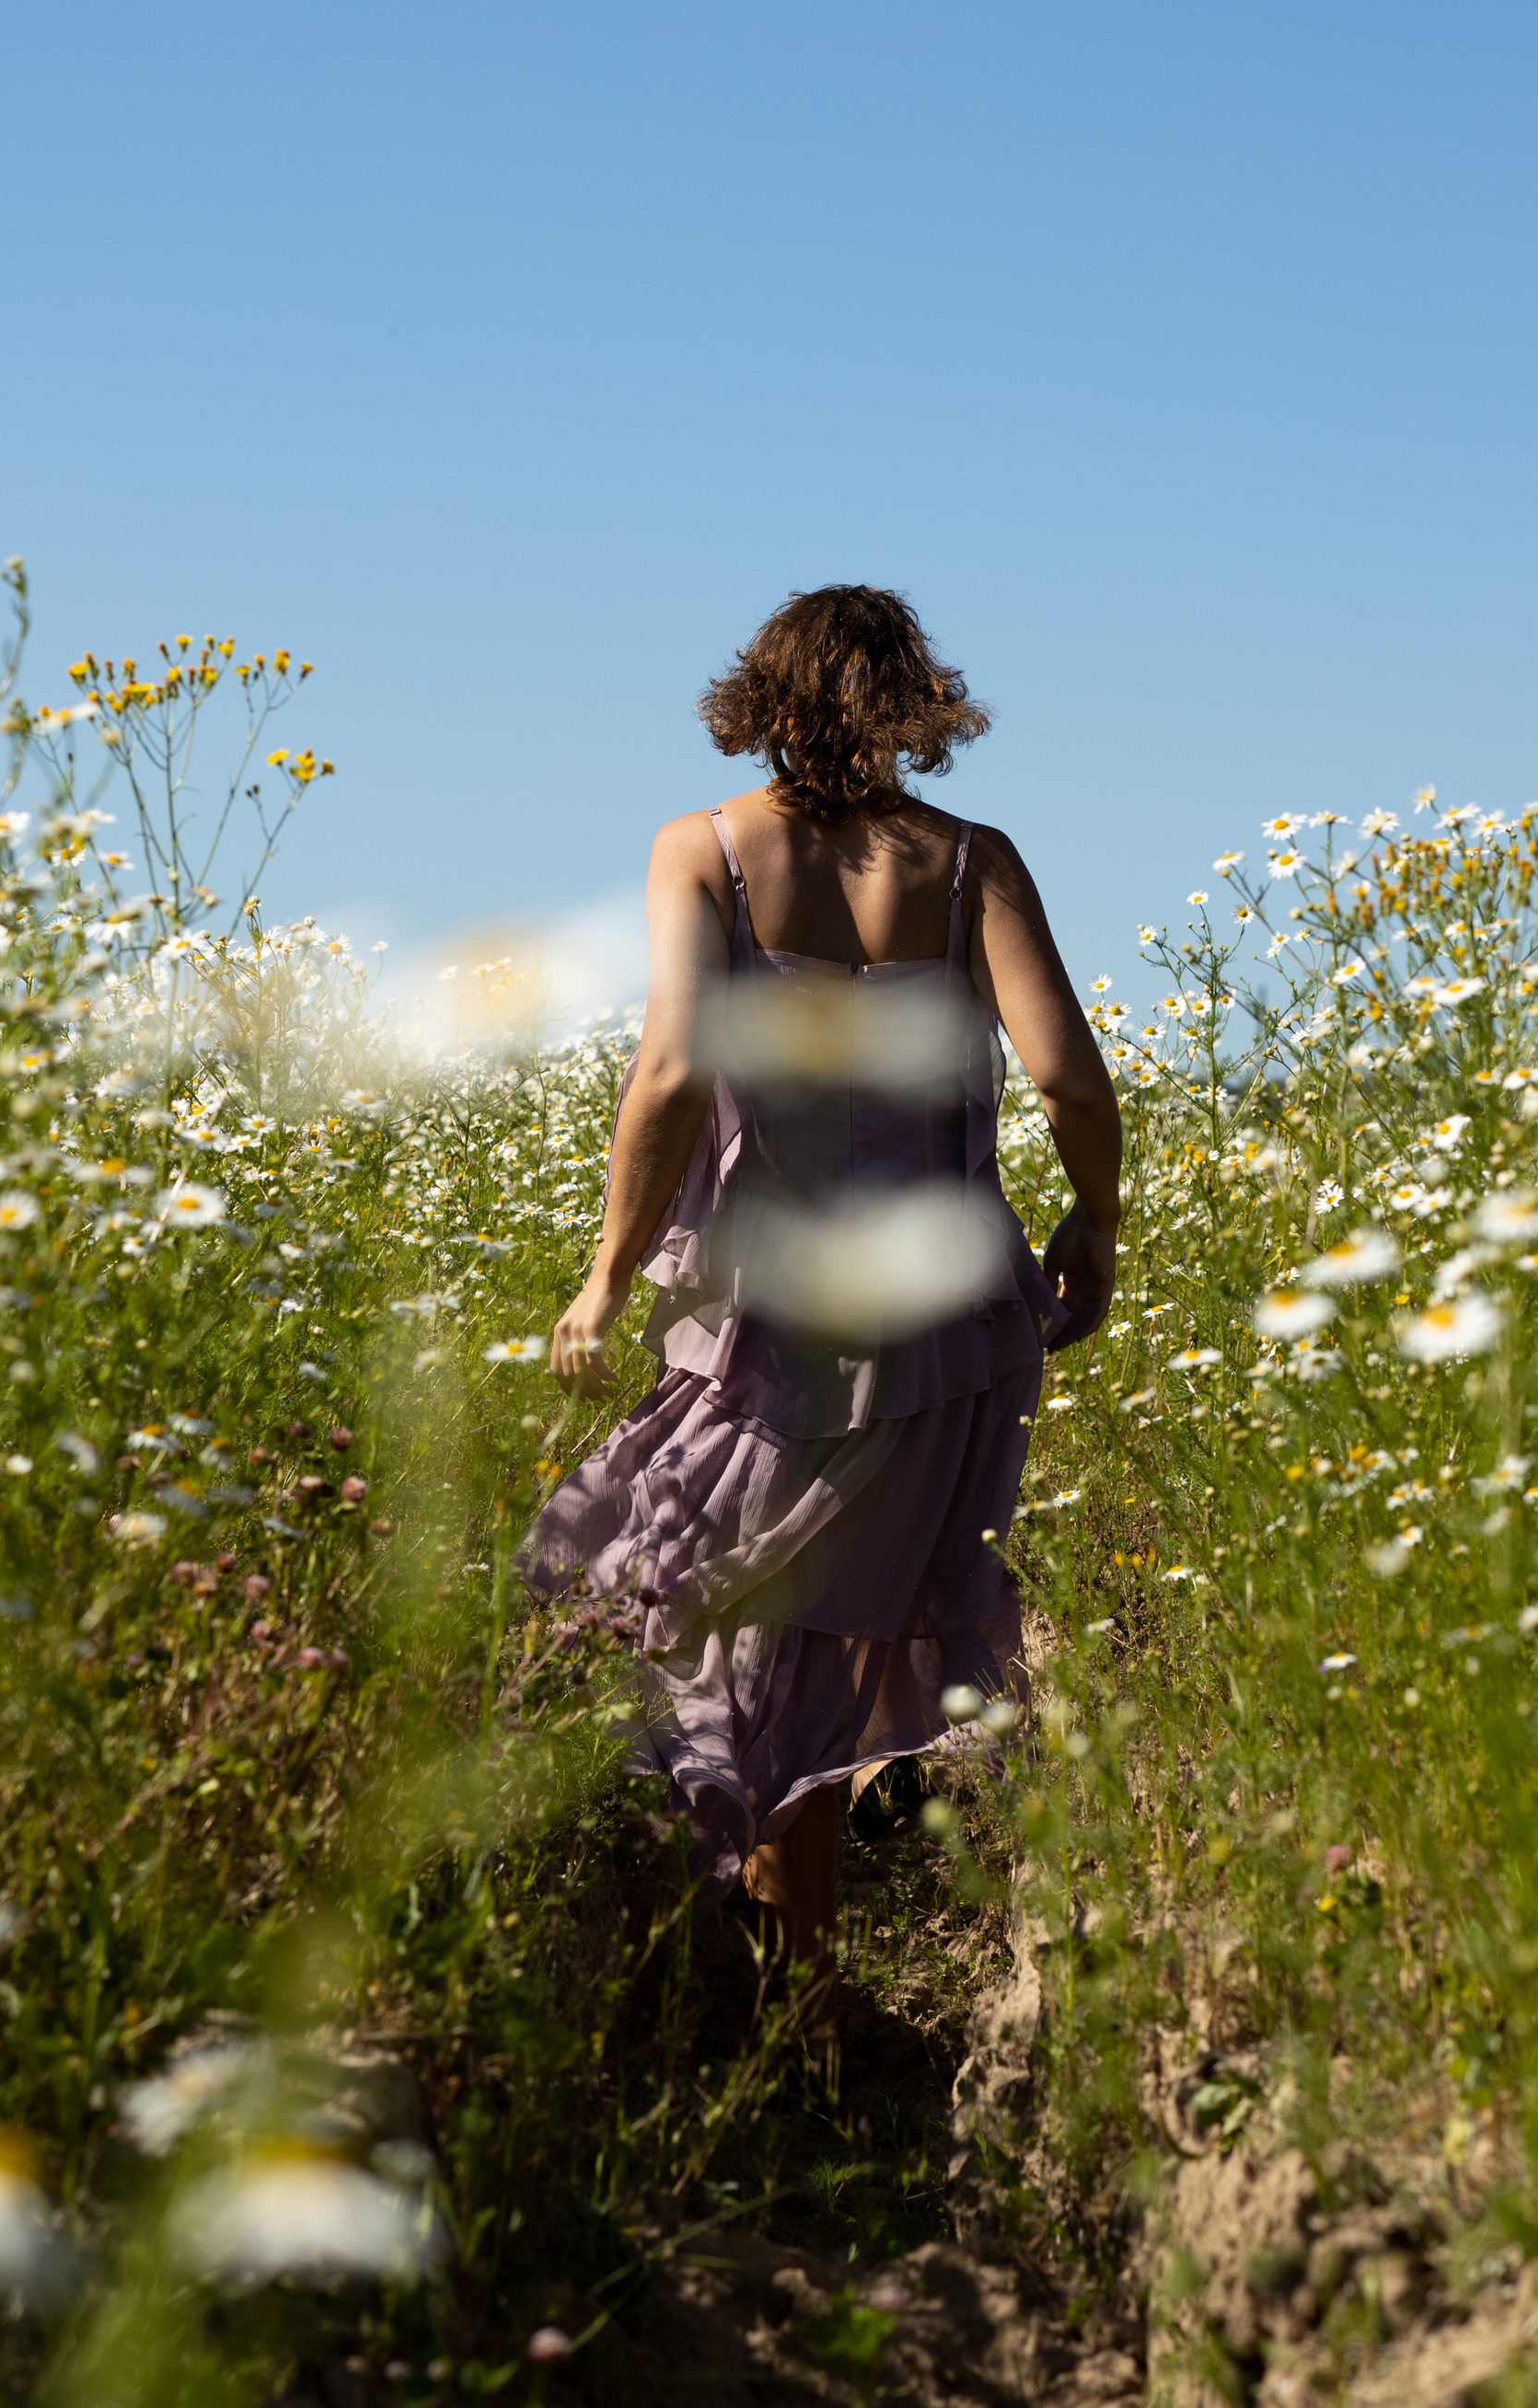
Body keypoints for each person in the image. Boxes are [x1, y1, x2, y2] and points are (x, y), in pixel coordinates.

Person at [522, 584, 1121, 2010]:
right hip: (949, 1329)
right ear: (917, 702)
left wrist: (605, 1279)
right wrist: (1095, 1226)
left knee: (660, 1598)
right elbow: (1066, 1078)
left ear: (764, 694)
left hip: (779, 1326)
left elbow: (671, 1073)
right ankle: (796, 2001)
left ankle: (743, 2002)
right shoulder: (973, 862)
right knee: (819, 1639)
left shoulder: (706, 852)